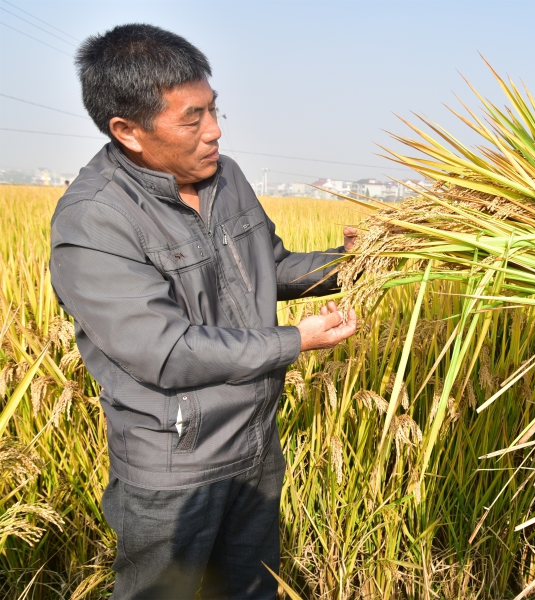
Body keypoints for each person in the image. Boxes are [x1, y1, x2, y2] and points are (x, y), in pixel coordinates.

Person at [49, 24, 357, 599]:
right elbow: (165, 351)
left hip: (256, 444)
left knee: (251, 591)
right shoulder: (94, 221)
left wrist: (355, 262)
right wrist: (296, 342)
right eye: (191, 118)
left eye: (214, 111)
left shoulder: (227, 179)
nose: (213, 132)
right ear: (128, 131)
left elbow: (272, 267)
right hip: (177, 465)